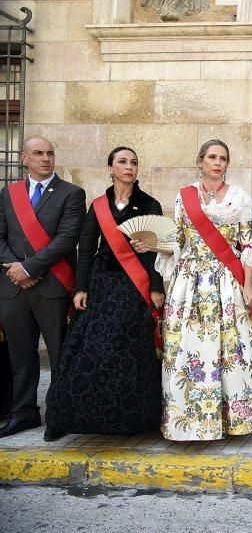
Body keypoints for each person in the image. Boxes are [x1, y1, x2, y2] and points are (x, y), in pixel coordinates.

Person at [157, 139, 252, 441]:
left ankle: (236, 418)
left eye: (223, 158)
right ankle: (192, 422)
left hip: (227, 282)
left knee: (231, 350)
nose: (217, 163)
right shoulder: (185, 197)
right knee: (190, 350)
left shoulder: (239, 198)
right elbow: (177, 240)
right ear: (200, 161)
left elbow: (247, 244)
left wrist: (248, 286)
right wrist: (155, 246)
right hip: (189, 283)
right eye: (212, 157)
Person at [45, 147, 164, 438]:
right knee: (88, 348)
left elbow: (158, 253)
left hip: (135, 289)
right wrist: (80, 287)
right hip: (102, 285)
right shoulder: (98, 205)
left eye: (133, 162)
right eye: (122, 162)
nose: (129, 167)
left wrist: (157, 287)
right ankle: (65, 418)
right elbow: (85, 249)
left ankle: (132, 421)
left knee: (132, 350)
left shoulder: (150, 204)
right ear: (109, 169)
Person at [0, 136, 85, 440]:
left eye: (50, 153)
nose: (46, 158)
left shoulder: (71, 193)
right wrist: (16, 269)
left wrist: (29, 268)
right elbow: (1, 235)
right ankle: (24, 413)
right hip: (13, 287)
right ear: (23, 157)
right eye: (38, 153)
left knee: (60, 352)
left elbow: (67, 238)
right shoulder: (8, 194)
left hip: (52, 285)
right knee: (20, 353)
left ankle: (59, 413)